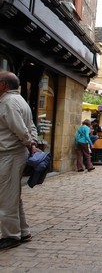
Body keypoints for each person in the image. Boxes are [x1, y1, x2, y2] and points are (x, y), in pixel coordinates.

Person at [0, 71, 38, 250]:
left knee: (5, 197)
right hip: (15, 153)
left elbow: (21, 129)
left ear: (2, 85)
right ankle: (23, 232)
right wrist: (32, 142)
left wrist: (30, 144)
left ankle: (11, 235)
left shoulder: (8, 102)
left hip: (10, 154)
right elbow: (31, 127)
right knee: (13, 196)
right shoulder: (21, 100)